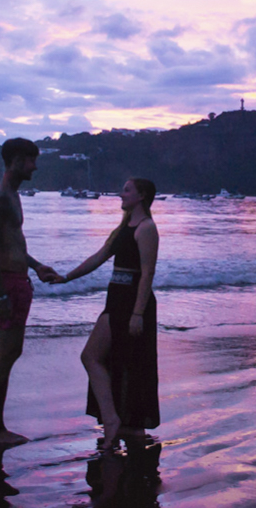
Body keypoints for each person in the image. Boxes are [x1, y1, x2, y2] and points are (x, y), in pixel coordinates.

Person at [56, 178, 160, 451]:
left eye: (126, 190)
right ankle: (115, 419)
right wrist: (65, 278)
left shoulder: (147, 228)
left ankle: (118, 421)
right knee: (104, 359)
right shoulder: (123, 228)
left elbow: (147, 273)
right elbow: (98, 257)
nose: (120, 194)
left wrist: (138, 313)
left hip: (133, 302)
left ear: (142, 195)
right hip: (115, 299)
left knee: (111, 360)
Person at [0, 137, 59, 444]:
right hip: (7, 283)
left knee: (11, 352)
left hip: (16, 280)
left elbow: (13, 244)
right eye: (30, 160)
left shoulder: (13, 195)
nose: (34, 166)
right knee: (5, 354)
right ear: (14, 161)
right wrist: (0, 294)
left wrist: (36, 266)